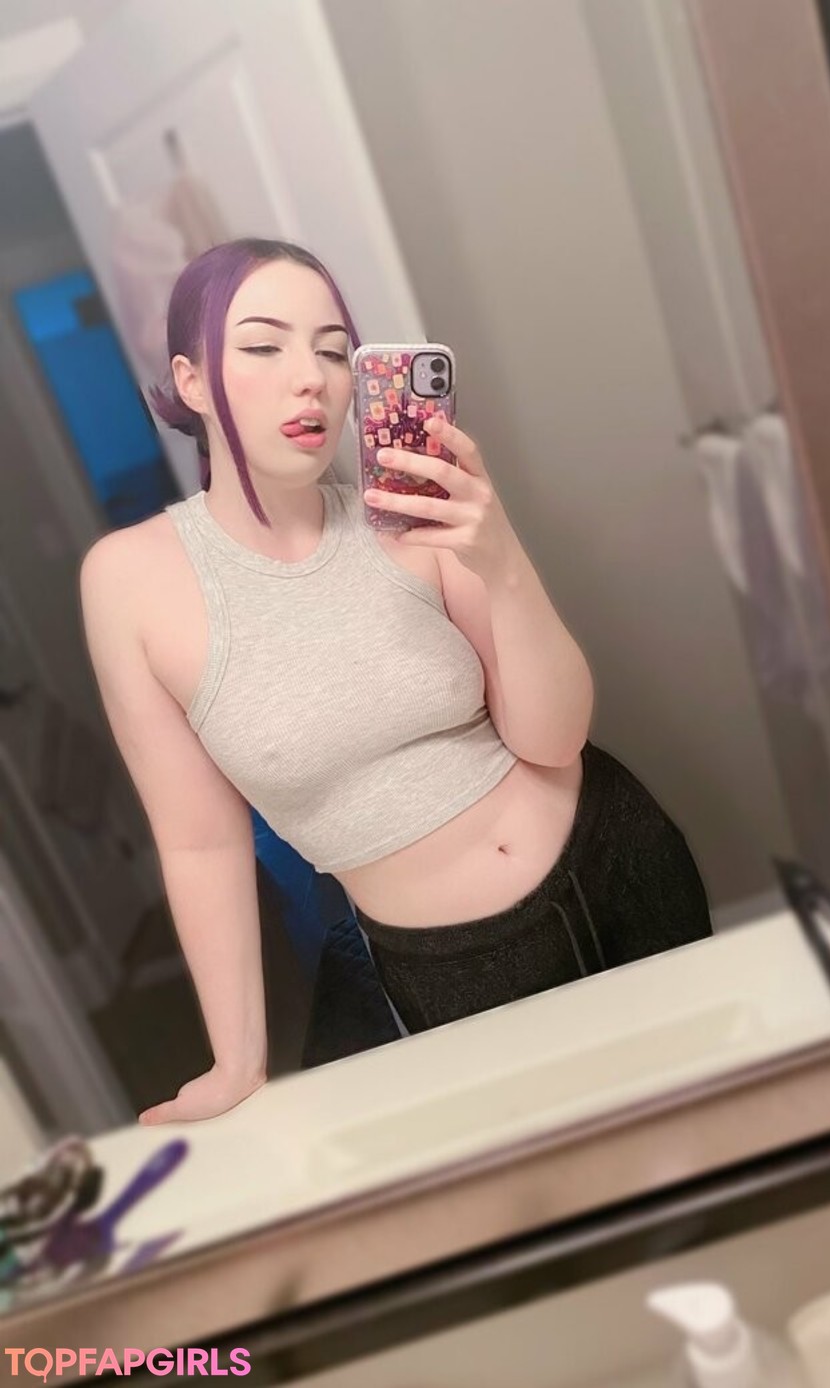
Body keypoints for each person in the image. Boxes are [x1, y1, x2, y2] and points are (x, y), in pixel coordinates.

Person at [78, 237, 713, 1125]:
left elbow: (554, 738)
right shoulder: (130, 582)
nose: (311, 379)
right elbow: (200, 843)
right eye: (263, 346)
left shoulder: (410, 516)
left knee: (726, 1133)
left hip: (621, 863)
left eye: (334, 350)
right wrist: (237, 1064)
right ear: (191, 382)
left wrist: (501, 559)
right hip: (444, 965)